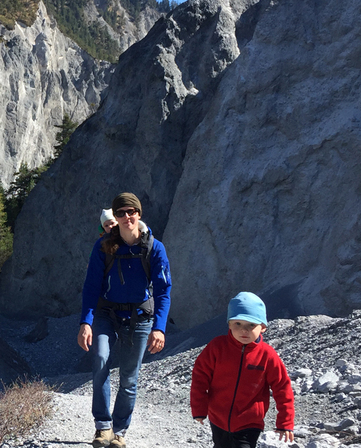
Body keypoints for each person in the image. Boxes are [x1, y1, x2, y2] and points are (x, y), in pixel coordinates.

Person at [78, 192, 172, 448]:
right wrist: (86, 322)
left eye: (131, 212)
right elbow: (91, 287)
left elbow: (164, 291)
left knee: (129, 377)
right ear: (115, 217)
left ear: (139, 214)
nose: (127, 217)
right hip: (106, 314)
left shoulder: (154, 247)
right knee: (100, 360)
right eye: (121, 213)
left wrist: (159, 328)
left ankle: (119, 432)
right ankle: (102, 428)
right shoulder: (103, 246)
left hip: (139, 318)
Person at [190, 292, 295, 448]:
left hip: (250, 421)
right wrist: (199, 408)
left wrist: (285, 421)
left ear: (263, 327)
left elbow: (282, 387)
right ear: (229, 324)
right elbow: (200, 377)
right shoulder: (217, 347)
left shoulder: (267, 355)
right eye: (238, 324)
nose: (244, 330)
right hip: (218, 418)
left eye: (251, 325)